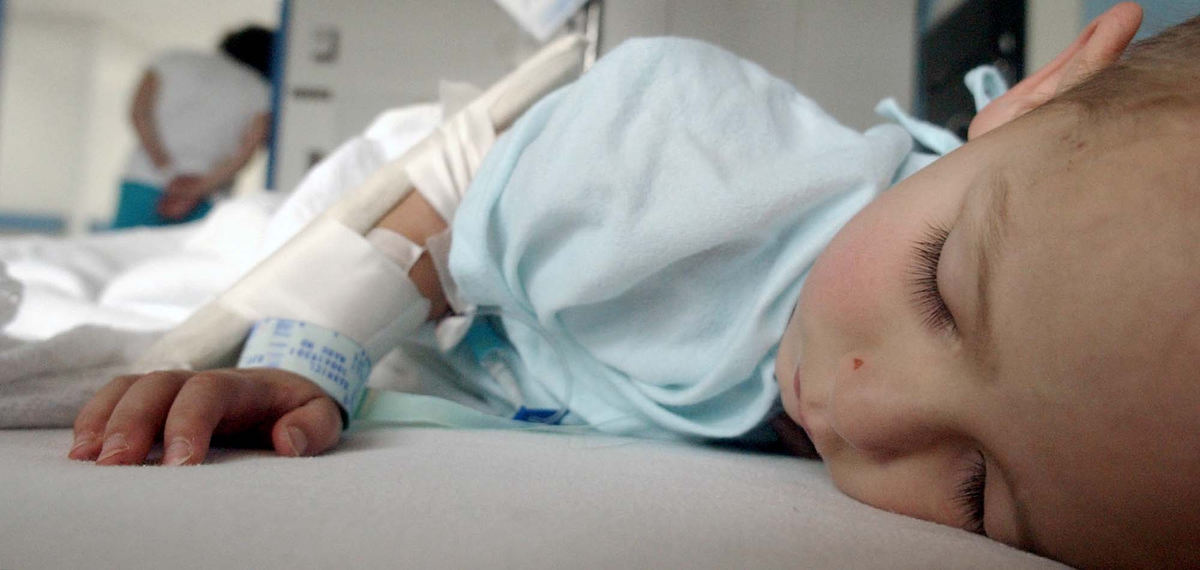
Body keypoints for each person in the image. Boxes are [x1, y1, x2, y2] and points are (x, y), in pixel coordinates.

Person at [70, 3, 1198, 567]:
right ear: (1021, 107)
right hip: (465, 191)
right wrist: (303, 350)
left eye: (975, 493)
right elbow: (444, 210)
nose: (861, 411)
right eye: (939, 292)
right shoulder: (685, 171)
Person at [110, 26, 274, 229]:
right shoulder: (260, 90)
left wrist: (167, 170)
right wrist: (198, 188)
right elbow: (247, 151)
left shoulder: (171, 60)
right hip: (207, 194)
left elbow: (139, 114)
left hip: (145, 179)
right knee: (189, 258)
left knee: (122, 252)